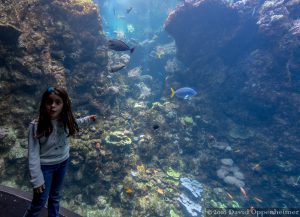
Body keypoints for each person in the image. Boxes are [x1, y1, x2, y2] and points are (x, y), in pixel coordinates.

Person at [24, 86, 97, 217]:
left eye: (58, 102)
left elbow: (76, 123)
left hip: (63, 162)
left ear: (64, 104)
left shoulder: (66, 121)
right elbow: (33, 155)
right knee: (39, 202)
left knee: (55, 196)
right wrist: (36, 179)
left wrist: (88, 120)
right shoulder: (36, 125)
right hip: (45, 167)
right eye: (49, 102)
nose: (53, 106)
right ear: (43, 104)